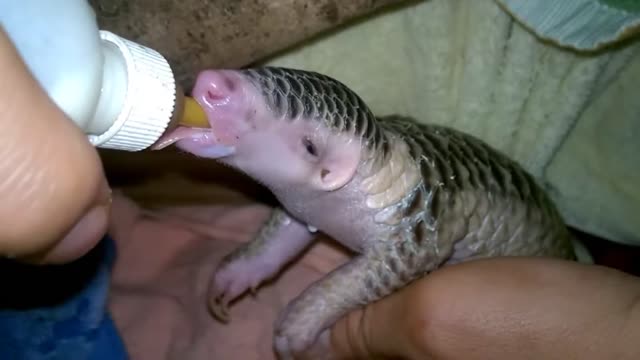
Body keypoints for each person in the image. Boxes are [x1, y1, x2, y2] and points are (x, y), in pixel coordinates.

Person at [1, 27, 638, 360]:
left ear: (328, 166)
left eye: (303, 144)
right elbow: (298, 211)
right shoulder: (325, 177)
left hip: (538, 258)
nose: (214, 93)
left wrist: (302, 317)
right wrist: (253, 261)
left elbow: (370, 275)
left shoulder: (404, 222)